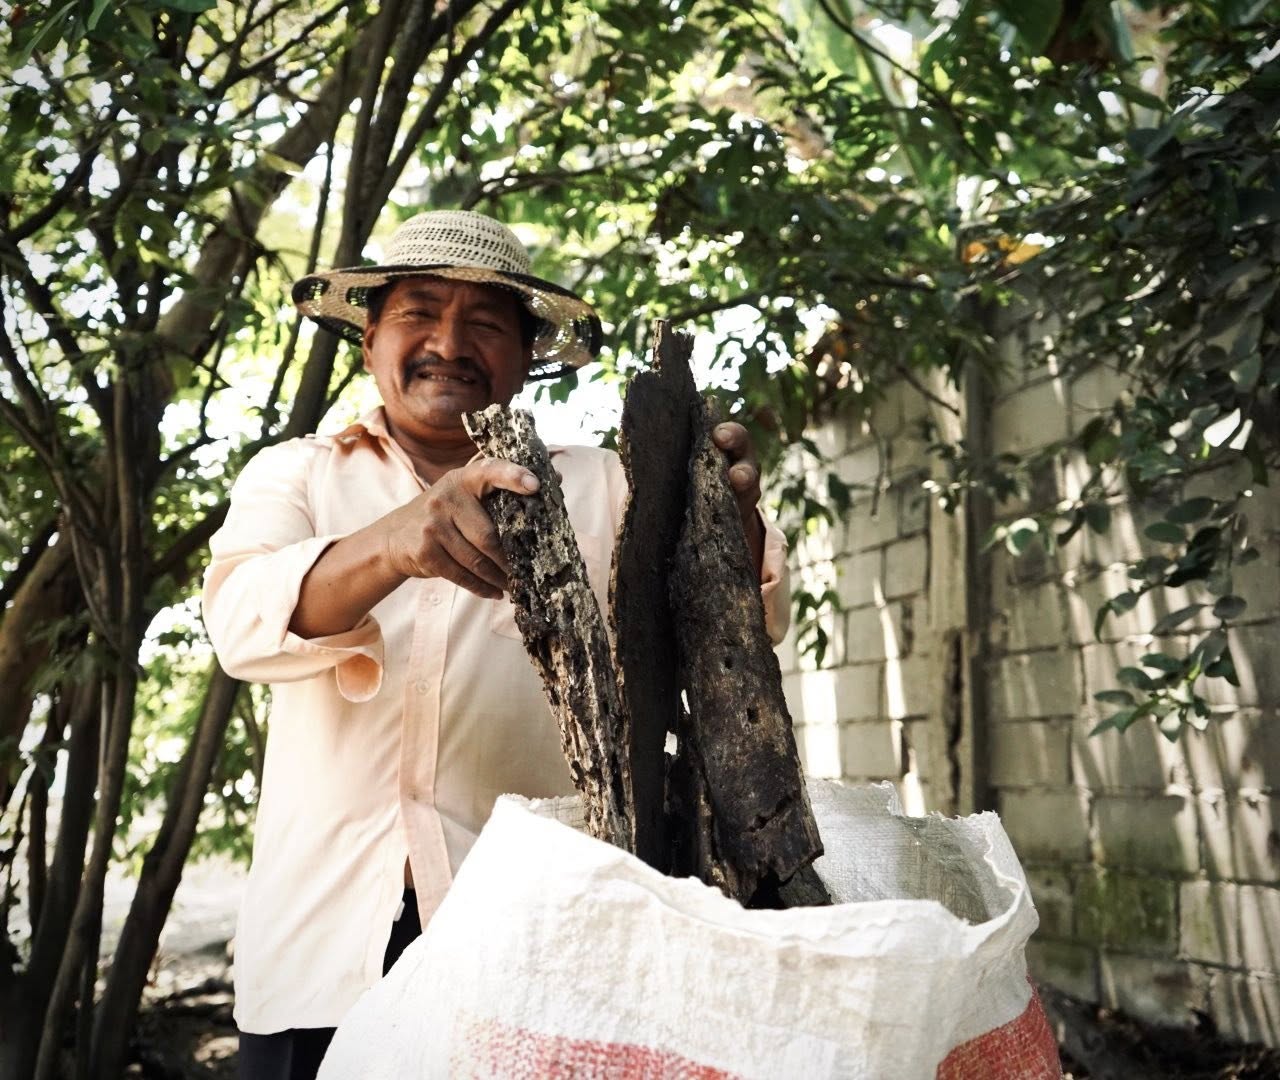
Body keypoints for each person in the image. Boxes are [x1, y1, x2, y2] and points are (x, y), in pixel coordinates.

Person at [201, 210, 791, 1078]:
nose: (449, 343)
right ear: (369, 343)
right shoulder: (297, 473)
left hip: (541, 953)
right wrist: (397, 541)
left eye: (485, 323)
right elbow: (242, 624)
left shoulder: (606, 485)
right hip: (321, 954)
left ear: (527, 358)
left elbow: (743, 627)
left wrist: (722, 518)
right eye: (419, 313)